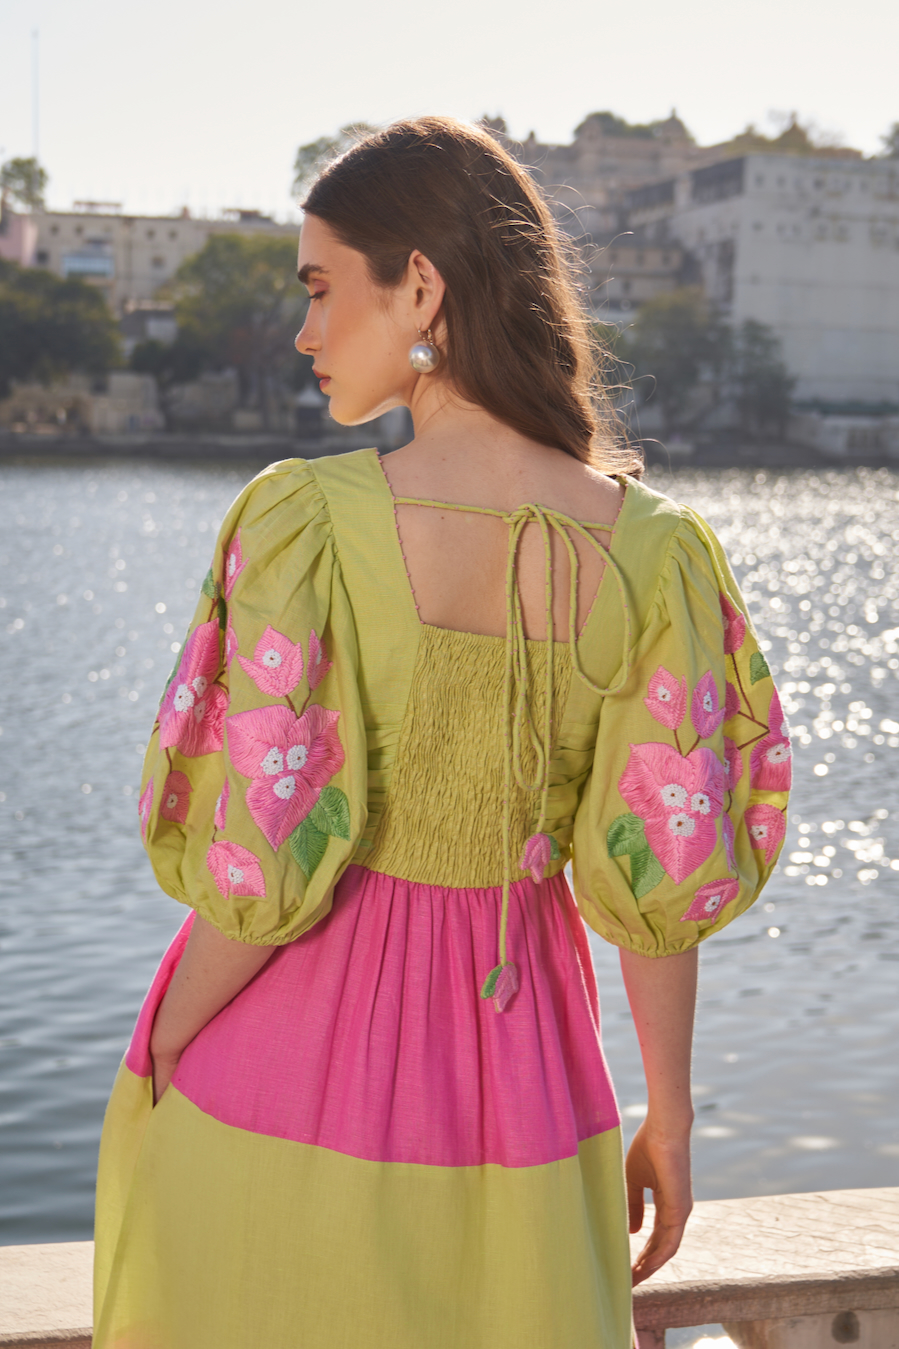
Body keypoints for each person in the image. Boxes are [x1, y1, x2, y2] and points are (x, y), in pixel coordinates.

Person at [92, 117, 791, 1349]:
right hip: (528, 1092)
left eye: (320, 287)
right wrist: (668, 1116)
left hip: (286, 1082)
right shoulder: (656, 557)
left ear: (418, 286)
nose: (305, 331)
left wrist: (162, 1049)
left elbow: (265, 867)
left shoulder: (305, 524)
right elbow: (654, 878)